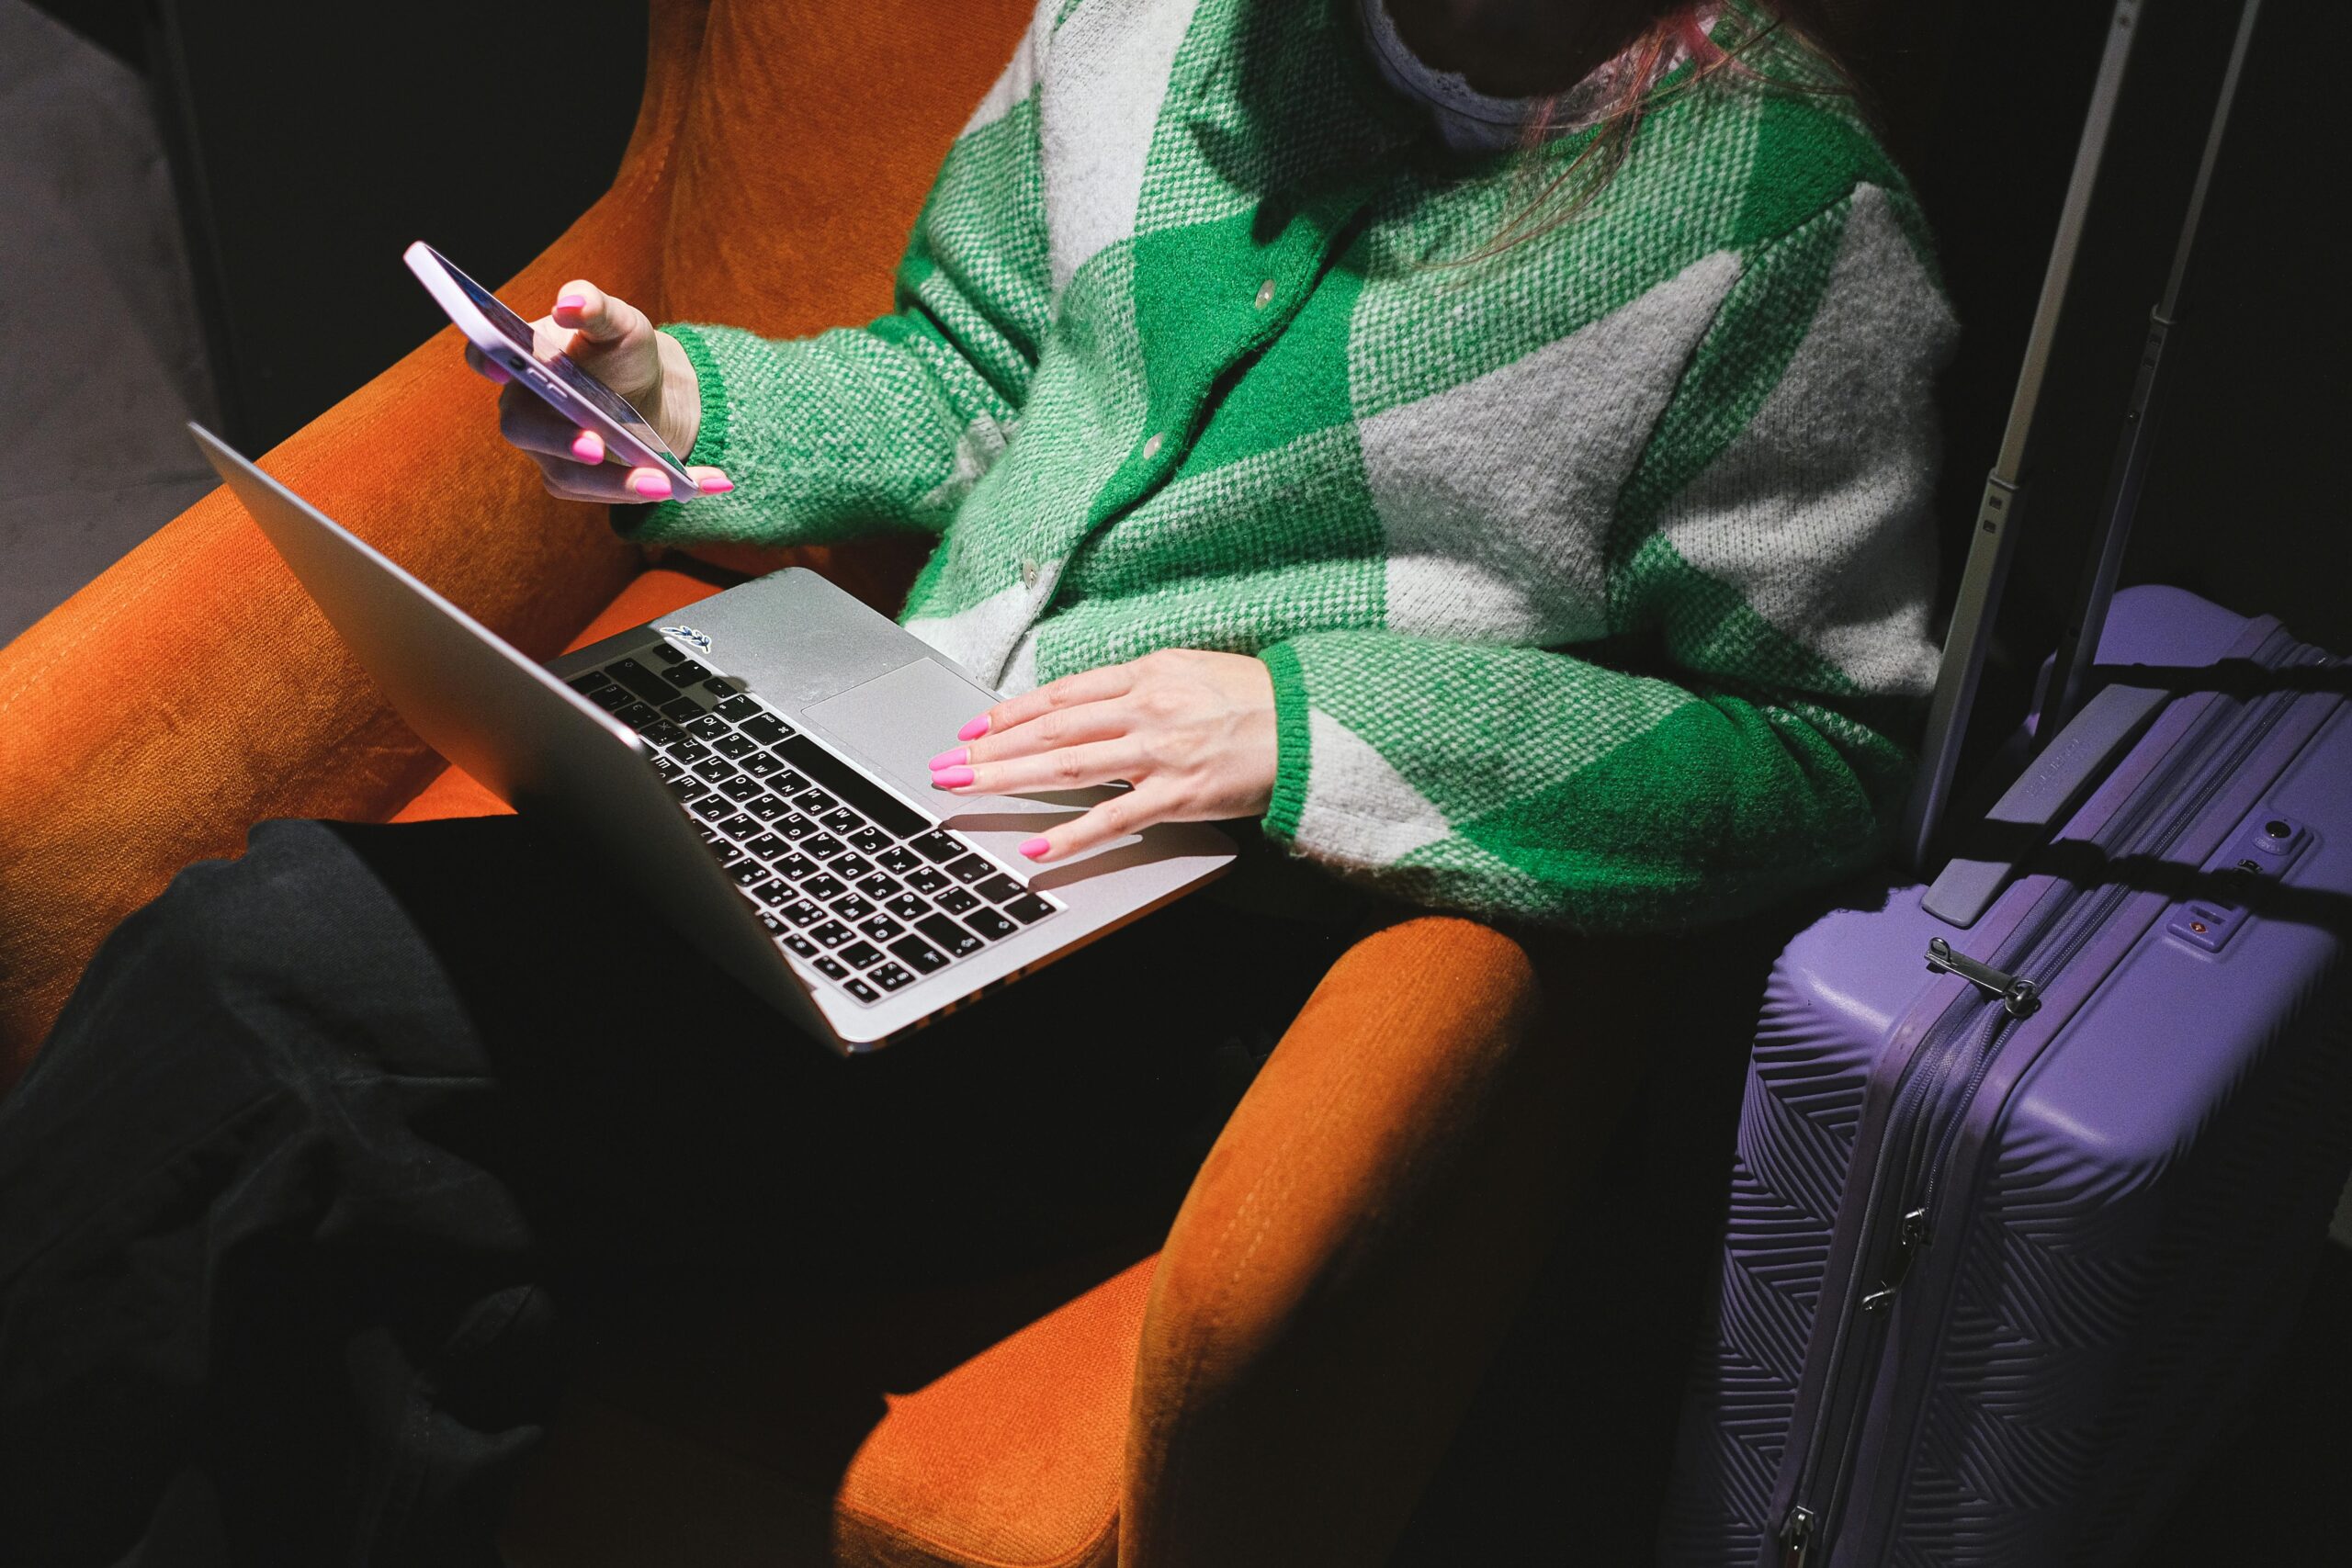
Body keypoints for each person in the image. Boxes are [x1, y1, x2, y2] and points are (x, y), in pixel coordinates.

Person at [0, 0, 1955, 1562]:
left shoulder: (1782, 222)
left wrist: (1302, 729)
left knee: (264, 962)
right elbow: (965, 371)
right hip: (892, 774)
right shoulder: (1159, 23)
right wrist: (697, 407)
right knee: (372, 1216)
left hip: (1182, 957)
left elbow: (1814, 749)